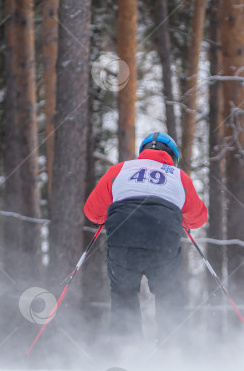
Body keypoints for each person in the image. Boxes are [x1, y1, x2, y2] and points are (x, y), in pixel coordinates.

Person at [84, 132, 208, 346]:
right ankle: (172, 352)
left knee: (123, 293)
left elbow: (92, 211)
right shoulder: (179, 177)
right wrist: (182, 218)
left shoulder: (120, 170)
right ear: (173, 156)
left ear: (143, 153)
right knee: (168, 294)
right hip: (162, 239)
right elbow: (198, 218)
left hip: (123, 236)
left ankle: (127, 350)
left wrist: (105, 216)